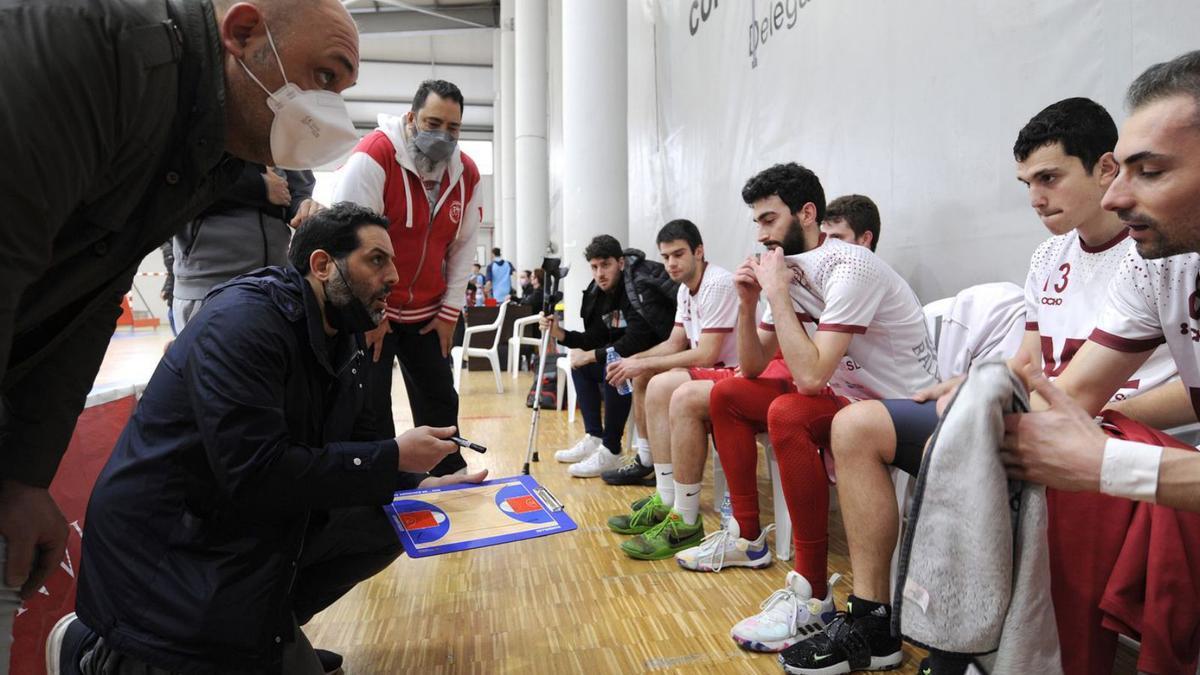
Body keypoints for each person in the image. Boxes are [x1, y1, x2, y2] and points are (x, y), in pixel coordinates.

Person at [0, 0, 361, 663]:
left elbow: (90, 296)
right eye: (325, 75)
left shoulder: (207, 145)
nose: (331, 107)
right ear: (243, 33)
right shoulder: (99, 53)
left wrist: (24, 475)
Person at [780, 98, 1182, 675]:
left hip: (1119, 425)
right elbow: (1029, 357)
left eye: (1049, 178)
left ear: (1104, 168)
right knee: (858, 425)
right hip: (1048, 409)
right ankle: (874, 619)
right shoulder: (1049, 254)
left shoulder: (1158, 251)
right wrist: (968, 383)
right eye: (1027, 183)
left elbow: (1176, 390)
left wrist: (1098, 412)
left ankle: (966, 645)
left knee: (981, 453)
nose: (1036, 198)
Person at [56, 203, 485, 675]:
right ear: (322, 265)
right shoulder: (244, 323)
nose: (393, 278)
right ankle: (99, 653)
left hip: (241, 524)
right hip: (174, 546)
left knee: (392, 522)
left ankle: (271, 631)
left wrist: (415, 487)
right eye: (377, 260)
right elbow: (257, 473)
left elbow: (347, 451)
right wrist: (392, 459)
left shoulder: (346, 337)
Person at [995, 52, 1200, 675]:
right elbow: (1072, 394)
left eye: (1150, 171)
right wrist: (981, 400)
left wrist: (1112, 461)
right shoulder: (1160, 260)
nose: (1117, 195)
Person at [693, 163, 935, 657]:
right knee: (734, 397)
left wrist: (777, 292)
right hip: (850, 403)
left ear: (807, 213)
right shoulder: (789, 270)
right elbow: (754, 367)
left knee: (788, 409)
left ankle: (817, 588)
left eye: (768, 220)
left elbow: (809, 377)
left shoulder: (850, 265)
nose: (760, 235)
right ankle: (780, 563)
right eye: (755, 223)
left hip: (905, 407)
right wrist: (747, 302)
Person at [333, 79, 483, 477]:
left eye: (454, 127)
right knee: (372, 404)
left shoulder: (466, 173)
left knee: (440, 397)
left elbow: (463, 247)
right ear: (411, 118)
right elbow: (352, 246)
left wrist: (450, 312)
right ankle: (382, 484)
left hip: (429, 313)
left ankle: (448, 471)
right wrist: (372, 316)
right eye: (434, 122)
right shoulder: (373, 157)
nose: (443, 135)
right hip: (376, 310)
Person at [603, 220, 742, 558]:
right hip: (711, 372)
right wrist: (634, 359)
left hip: (737, 375)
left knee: (660, 381)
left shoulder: (719, 283)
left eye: (678, 254)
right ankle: (666, 497)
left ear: (699, 250)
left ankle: (684, 516)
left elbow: (708, 352)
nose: (671, 264)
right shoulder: (683, 289)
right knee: (646, 377)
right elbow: (676, 341)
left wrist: (644, 364)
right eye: (665, 257)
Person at [540, 236, 678, 478]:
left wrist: (593, 355)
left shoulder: (637, 286)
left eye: (606, 265)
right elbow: (594, 337)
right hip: (630, 357)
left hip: (660, 355)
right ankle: (595, 437)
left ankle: (611, 450)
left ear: (620, 263)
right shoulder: (597, 293)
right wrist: (560, 334)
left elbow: (637, 340)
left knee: (613, 367)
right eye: (594, 267)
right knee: (579, 366)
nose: (599, 273)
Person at [171, 165, 319, 330]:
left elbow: (296, 189)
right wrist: (256, 185)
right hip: (209, 284)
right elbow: (175, 184)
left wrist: (303, 206)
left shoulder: (288, 140)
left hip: (275, 287)